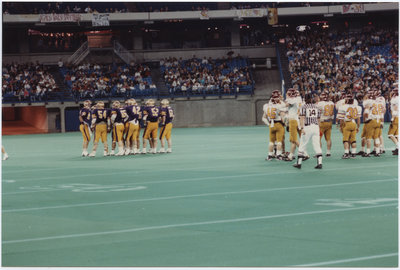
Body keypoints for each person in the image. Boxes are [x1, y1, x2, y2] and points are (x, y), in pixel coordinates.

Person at [293, 94, 323, 169]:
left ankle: (299, 163)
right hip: (316, 126)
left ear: (305, 99)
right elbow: (319, 119)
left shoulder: (304, 107)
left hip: (307, 126)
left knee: (302, 144)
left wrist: (302, 128)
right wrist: (319, 128)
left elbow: (302, 118)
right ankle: (320, 163)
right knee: (317, 145)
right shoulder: (316, 107)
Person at [262, 90, 287, 160]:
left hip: (271, 124)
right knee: (279, 141)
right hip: (279, 123)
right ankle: (279, 155)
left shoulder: (266, 106)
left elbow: (264, 117)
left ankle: (269, 155)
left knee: (271, 141)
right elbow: (283, 113)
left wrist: (269, 124)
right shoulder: (279, 106)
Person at [337, 93, 362, 159]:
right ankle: (353, 153)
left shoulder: (343, 107)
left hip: (347, 123)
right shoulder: (358, 107)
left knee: (345, 140)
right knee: (353, 140)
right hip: (354, 123)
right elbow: (359, 119)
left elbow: (341, 119)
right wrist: (358, 127)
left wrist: (341, 126)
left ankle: (346, 153)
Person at [317, 91, 335, 156]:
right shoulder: (332, 103)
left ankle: (319, 152)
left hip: (322, 122)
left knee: (318, 138)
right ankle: (328, 152)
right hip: (330, 122)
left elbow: (318, 113)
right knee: (328, 138)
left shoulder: (320, 103)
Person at [388, 88, 398, 155]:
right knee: (397, 135)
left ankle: (398, 146)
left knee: (390, 134)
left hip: (396, 117)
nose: (392, 92)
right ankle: (397, 149)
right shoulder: (396, 98)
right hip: (398, 117)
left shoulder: (395, 99)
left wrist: (392, 118)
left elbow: (395, 108)